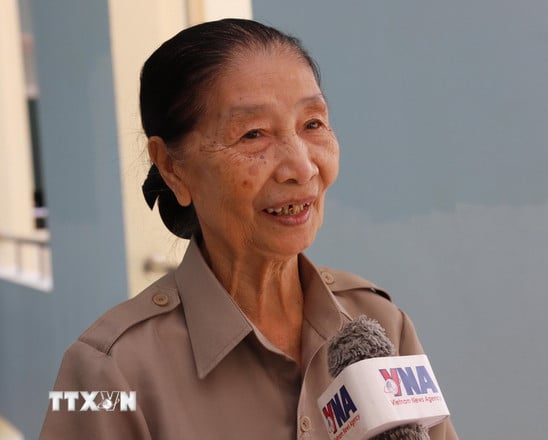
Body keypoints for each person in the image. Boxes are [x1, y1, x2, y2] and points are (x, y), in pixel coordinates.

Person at [40, 18, 458, 439]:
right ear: (171, 167)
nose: (302, 168)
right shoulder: (107, 371)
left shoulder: (380, 322)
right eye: (253, 134)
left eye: (313, 124)